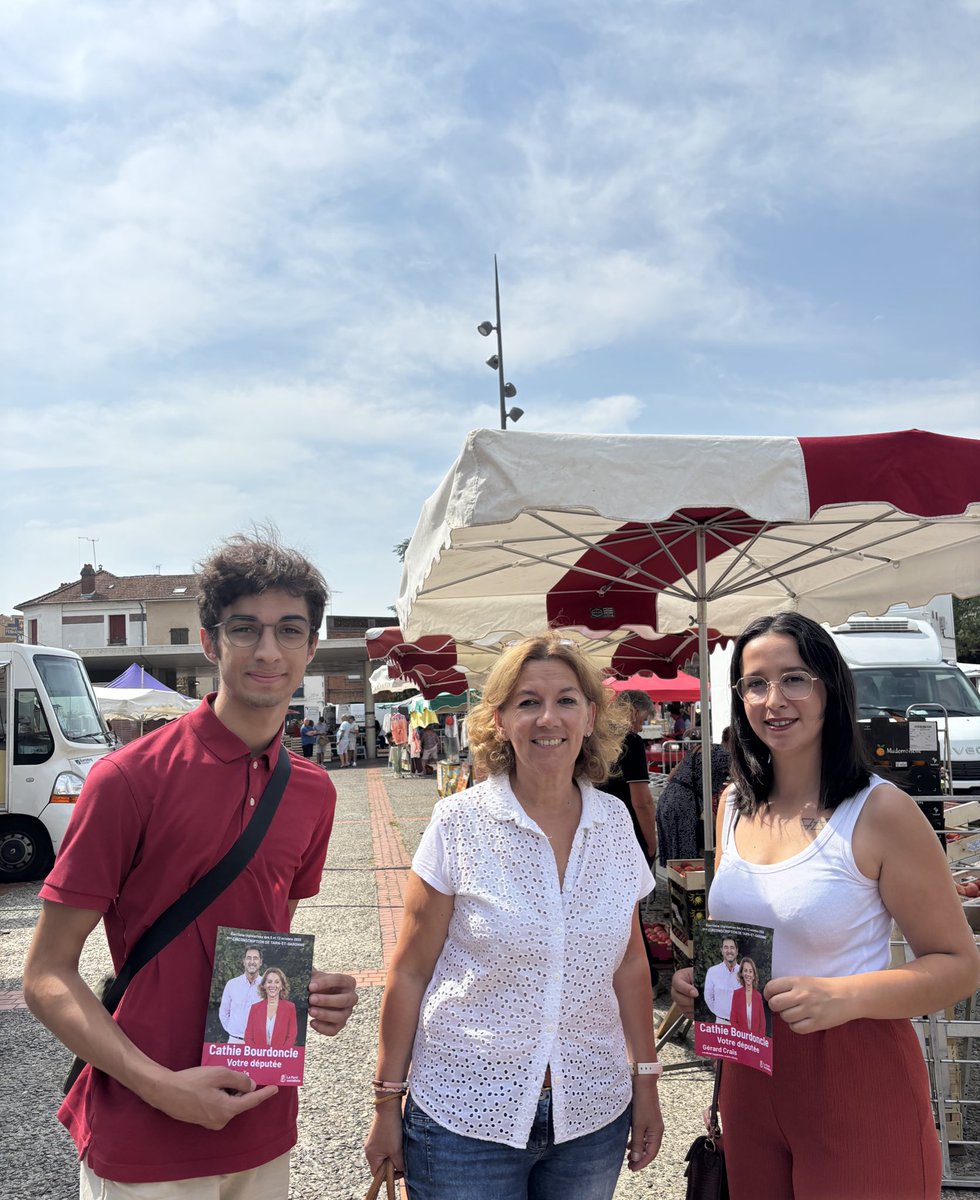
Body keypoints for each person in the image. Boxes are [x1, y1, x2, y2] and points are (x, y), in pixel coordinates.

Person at [23, 530, 359, 1195]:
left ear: (312, 647)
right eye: (245, 629)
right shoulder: (128, 779)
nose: (269, 650)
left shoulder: (313, 791)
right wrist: (160, 1086)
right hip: (142, 1130)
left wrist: (306, 988)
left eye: (290, 630)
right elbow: (45, 975)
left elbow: (262, 935)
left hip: (260, 1117)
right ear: (210, 642)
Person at [671, 611, 980, 1200]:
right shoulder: (733, 804)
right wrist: (702, 983)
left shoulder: (881, 811)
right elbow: (741, 934)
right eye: (755, 683)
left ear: (830, 688)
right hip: (747, 1067)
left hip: (854, 1066)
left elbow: (959, 965)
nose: (774, 700)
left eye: (794, 678)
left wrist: (844, 995)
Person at [364, 633, 664, 1200]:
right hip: (465, 1117)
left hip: (592, 1113)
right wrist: (385, 1103)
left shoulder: (615, 823)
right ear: (500, 720)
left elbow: (628, 964)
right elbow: (409, 971)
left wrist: (645, 1083)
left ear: (590, 716)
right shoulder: (458, 823)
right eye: (528, 702)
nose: (548, 718)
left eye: (566, 700)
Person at [656, 727, 731, 865]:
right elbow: (744, 778)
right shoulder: (726, 755)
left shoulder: (700, 748)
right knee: (687, 858)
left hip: (666, 798)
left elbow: (670, 776)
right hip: (684, 805)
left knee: (674, 857)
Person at [601, 690, 657, 862]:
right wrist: (651, 843)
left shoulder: (596, 737)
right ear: (633, 712)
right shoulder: (631, 741)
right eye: (642, 720)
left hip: (597, 825)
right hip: (626, 828)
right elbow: (642, 802)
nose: (641, 727)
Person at [244, 968, 298, 1050]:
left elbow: (291, 1036)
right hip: (258, 1055)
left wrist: (281, 1053)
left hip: (281, 1055)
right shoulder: (255, 1008)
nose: (272, 985)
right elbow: (248, 1036)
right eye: (269, 982)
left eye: (277, 982)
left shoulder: (290, 1008)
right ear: (264, 985)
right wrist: (257, 1052)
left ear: (281, 986)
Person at [219, 946, 263, 1044]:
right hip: (234, 1041)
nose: (252, 962)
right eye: (248, 958)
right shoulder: (232, 984)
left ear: (260, 962)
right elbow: (223, 1012)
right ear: (244, 961)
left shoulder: (267, 986)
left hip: (258, 1043)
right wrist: (232, 1031)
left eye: (255, 958)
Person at [703, 936, 740, 1024]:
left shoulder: (744, 972)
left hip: (741, 1022)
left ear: (736, 951)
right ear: (722, 951)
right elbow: (708, 996)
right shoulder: (712, 971)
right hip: (721, 1022)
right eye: (726, 947)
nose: (729, 951)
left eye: (732, 947)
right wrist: (719, 1013)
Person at [729, 958, 766, 1036]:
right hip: (741, 1039)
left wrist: (759, 1039)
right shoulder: (736, 994)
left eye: (750, 971)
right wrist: (741, 1036)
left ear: (754, 976)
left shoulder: (758, 996)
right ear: (742, 974)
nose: (748, 974)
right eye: (745, 971)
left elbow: (762, 1023)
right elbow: (733, 1019)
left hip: (755, 1040)